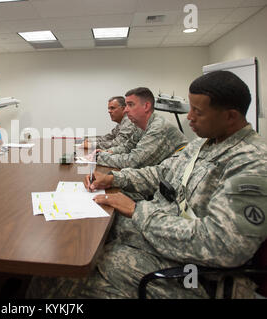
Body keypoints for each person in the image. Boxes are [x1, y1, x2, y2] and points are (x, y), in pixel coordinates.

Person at [27, 71, 267, 299]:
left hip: (195, 272)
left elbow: (221, 246)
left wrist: (137, 210)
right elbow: (161, 173)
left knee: (63, 276)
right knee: (72, 246)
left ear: (230, 116)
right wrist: (114, 179)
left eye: (197, 111)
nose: (189, 117)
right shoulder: (203, 144)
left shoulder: (253, 163)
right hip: (161, 232)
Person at [96, 87, 188, 169]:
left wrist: (99, 157)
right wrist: (107, 151)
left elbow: (134, 162)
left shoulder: (158, 127)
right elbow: (127, 147)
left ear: (146, 106)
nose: (126, 110)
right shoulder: (142, 126)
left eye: (130, 105)